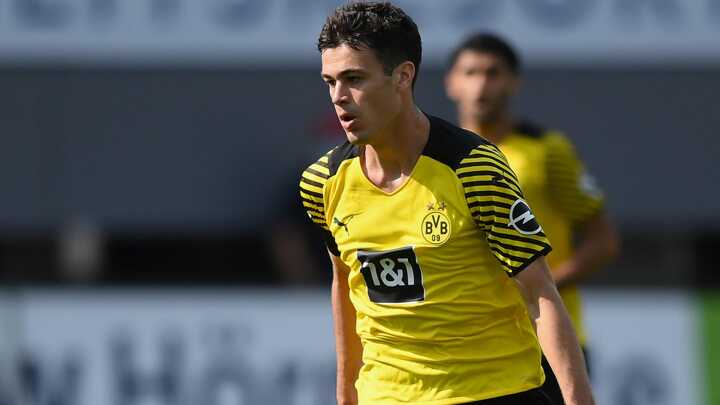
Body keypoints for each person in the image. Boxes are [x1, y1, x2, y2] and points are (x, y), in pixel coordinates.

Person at [299, 3, 594, 404]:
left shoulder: (473, 167)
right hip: (386, 395)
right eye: (330, 82)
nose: (339, 97)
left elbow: (540, 292)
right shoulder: (323, 181)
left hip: (493, 392)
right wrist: (346, 393)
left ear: (403, 76)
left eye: (354, 79)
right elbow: (345, 287)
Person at [445, 33, 620, 404]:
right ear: (452, 83)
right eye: (471, 72)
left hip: (548, 338)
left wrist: (542, 285)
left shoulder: (547, 150)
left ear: (513, 82)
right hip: (474, 341)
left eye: (493, 73)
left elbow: (603, 240)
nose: (481, 85)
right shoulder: (437, 158)